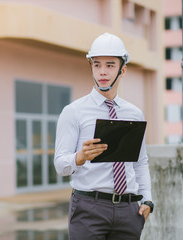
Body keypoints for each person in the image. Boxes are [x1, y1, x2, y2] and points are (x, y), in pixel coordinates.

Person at [54, 33, 154, 240]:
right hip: (89, 208)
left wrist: (147, 200)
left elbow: (140, 162)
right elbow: (59, 164)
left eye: (110, 65)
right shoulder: (73, 112)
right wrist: (79, 157)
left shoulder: (134, 114)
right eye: (97, 65)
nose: (102, 72)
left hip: (129, 210)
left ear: (122, 70)